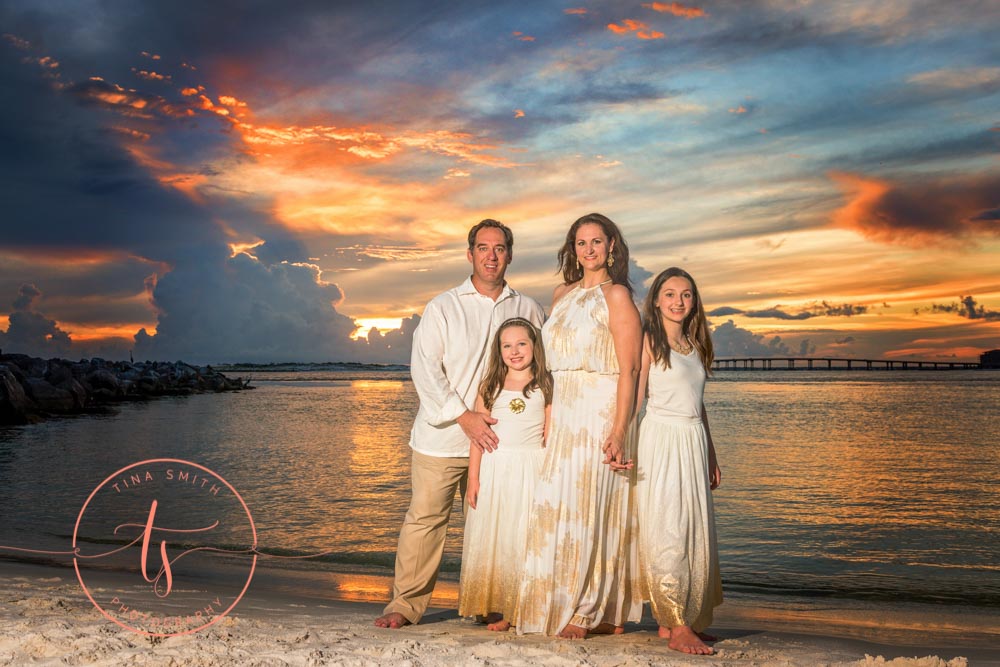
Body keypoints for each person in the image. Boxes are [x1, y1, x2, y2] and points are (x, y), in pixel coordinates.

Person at [375, 220, 545, 629]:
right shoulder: (443, 306)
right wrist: (463, 415)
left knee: (496, 526)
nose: (491, 255)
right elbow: (425, 369)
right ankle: (405, 605)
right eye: (483, 248)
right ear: (469, 254)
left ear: (509, 254)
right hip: (442, 438)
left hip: (502, 445)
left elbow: (545, 371)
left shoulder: (529, 309)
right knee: (426, 521)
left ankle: (495, 602)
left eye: (500, 248)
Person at [515, 212, 643, 638]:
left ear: (611, 246)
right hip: (564, 410)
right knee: (557, 505)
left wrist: (621, 428)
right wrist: (549, 416)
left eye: (597, 242)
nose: (589, 250)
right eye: (581, 243)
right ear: (573, 249)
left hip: (600, 409)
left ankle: (588, 610)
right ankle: (562, 601)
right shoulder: (561, 294)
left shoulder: (618, 296)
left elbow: (630, 371)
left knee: (592, 508)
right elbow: (549, 369)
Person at [634, 267, 723, 655]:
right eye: (669, 294)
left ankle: (678, 621)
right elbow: (637, 398)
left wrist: (711, 453)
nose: (678, 302)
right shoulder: (649, 341)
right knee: (668, 527)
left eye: (686, 295)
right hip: (662, 439)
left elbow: (698, 405)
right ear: (656, 300)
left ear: (694, 301)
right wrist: (621, 440)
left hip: (693, 440)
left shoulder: (696, 344)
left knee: (693, 529)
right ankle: (676, 621)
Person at [458, 317, 552, 632]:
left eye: (521, 343)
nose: (514, 351)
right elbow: (477, 437)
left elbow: (550, 437)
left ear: (535, 346)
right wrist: (474, 480)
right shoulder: (490, 386)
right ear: (499, 351)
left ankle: (520, 606)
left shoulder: (545, 385)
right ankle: (492, 603)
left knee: (523, 538)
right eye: (506, 345)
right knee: (494, 537)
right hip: (495, 469)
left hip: (530, 469)